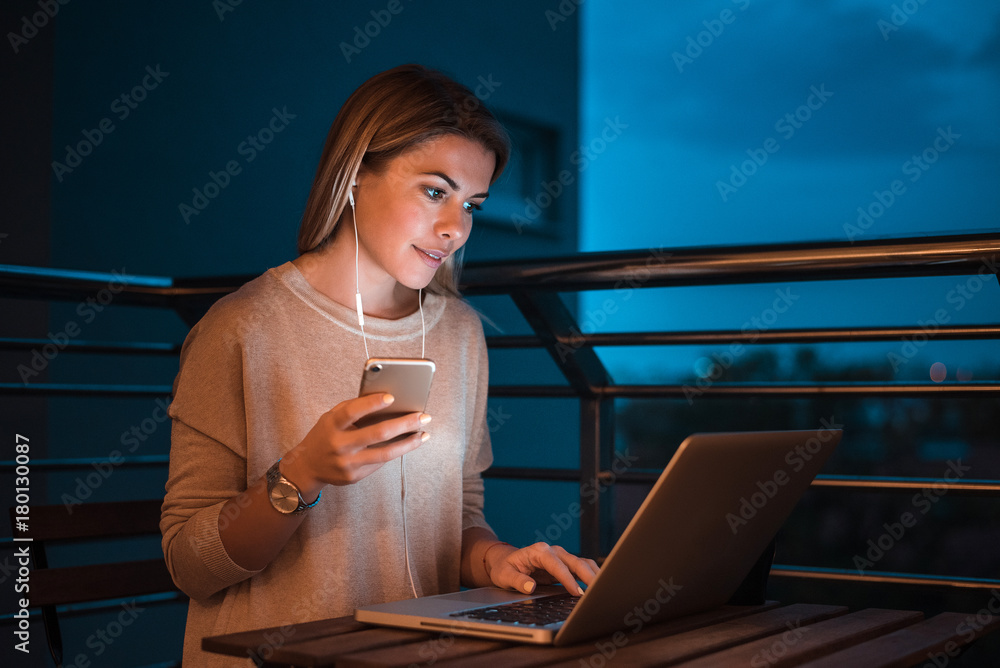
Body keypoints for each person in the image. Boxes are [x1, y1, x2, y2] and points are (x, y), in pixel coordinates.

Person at [160, 64, 599, 666]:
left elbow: (458, 514)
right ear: (355, 177)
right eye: (434, 190)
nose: (455, 229)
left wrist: (495, 558)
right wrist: (300, 477)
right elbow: (190, 565)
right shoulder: (241, 328)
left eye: (472, 204)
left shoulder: (461, 332)